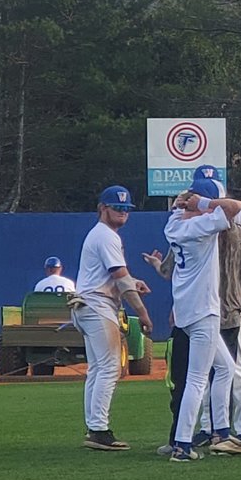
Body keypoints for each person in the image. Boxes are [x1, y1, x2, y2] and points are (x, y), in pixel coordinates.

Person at [153, 179, 241, 460]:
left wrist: (187, 203)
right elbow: (235, 207)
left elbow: (180, 210)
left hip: (186, 309)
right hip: (204, 309)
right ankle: (182, 445)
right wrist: (203, 204)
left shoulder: (174, 224)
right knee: (196, 379)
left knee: (226, 368)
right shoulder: (201, 225)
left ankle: (221, 432)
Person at [73, 185, 153, 450]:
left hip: (88, 304)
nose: (122, 212)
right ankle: (98, 430)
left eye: (126, 208)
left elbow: (117, 277)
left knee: (97, 369)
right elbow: (119, 277)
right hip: (97, 305)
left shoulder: (101, 235)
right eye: (117, 207)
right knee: (109, 368)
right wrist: (142, 312)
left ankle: (94, 427)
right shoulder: (106, 236)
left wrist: (134, 281)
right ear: (102, 208)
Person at [191, 165, 241, 449]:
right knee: (208, 370)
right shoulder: (194, 219)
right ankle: (211, 428)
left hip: (229, 303)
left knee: (236, 367)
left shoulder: (238, 217)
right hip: (204, 305)